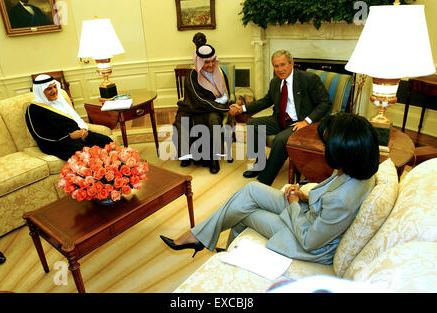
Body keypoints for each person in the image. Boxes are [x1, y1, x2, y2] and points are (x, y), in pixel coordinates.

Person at [161, 113, 379, 264]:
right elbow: (328, 194)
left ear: (344, 151)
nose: (324, 149)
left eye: (327, 144)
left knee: (245, 212)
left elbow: (309, 240)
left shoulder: (343, 198)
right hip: (309, 212)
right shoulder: (355, 168)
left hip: (306, 241)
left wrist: (294, 204)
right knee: (250, 190)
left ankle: (212, 246)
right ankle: (202, 237)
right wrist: (304, 194)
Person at [229, 50, 331, 186]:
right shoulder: (276, 82)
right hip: (281, 119)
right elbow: (266, 101)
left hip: (301, 123)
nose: (280, 69)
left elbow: (325, 103)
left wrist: (306, 121)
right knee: (253, 124)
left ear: (291, 63)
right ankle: (260, 164)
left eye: (283, 65)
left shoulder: (309, 79)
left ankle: (263, 182)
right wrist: (243, 109)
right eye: (276, 66)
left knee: (280, 140)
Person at [172, 44, 233, 174]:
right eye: (206, 62)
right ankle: (186, 154)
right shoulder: (192, 76)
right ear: (199, 62)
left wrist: (224, 106)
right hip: (193, 106)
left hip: (214, 108)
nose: (211, 65)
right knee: (181, 120)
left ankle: (214, 158)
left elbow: (226, 96)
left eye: (212, 61)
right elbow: (199, 100)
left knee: (213, 120)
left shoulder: (220, 73)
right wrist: (222, 108)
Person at [25, 74, 113, 160]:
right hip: (57, 143)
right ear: (40, 91)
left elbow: (76, 118)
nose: (54, 91)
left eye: (55, 87)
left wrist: (83, 129)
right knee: (86, 153)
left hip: (78, 135)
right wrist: (69, 136)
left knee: (107, 141)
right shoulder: (33, 109)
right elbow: (39, 136)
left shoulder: (59, 100)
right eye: (49, 89)